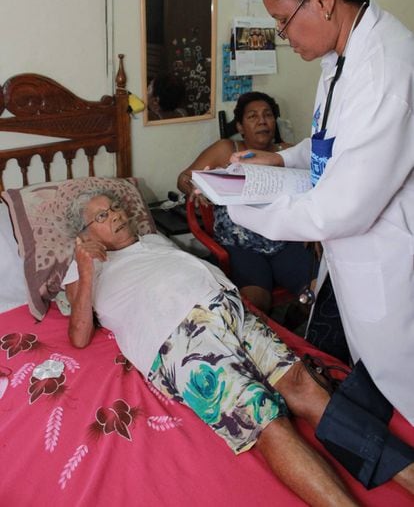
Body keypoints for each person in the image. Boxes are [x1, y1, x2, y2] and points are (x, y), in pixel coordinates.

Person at [63, 190, 414, 503]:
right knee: (264, 420)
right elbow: (78, 336)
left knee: (305, 386)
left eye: (116, 207)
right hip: (178, 336)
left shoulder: (154, 240)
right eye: (102, 217)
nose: (117, 216)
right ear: (85, 234)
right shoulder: (81, 269)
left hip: (228, 310)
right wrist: (86, 269)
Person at [226, 0, 414, 433]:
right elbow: (330, 136)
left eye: (284, 22)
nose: (284, 37)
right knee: (367, 372)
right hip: (350, 261)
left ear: (323, 0)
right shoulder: (343, 51)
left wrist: (247, 206)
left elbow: (343, 209)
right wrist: (281, 161)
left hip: (388, 262)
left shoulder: (383, 73)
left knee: (403, 387)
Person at [178, 91, 318, 327]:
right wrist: (192, 186)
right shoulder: (226, 149)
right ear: (241, 126)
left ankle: (294, 320)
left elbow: (314, 189)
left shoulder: (287, 152)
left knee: (317, 293)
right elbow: (184, 177)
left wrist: (314, 232)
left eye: (268, 115)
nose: (262, 121)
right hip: (240, 244)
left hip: (283, 238)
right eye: (252, 116)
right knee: (255, 302)